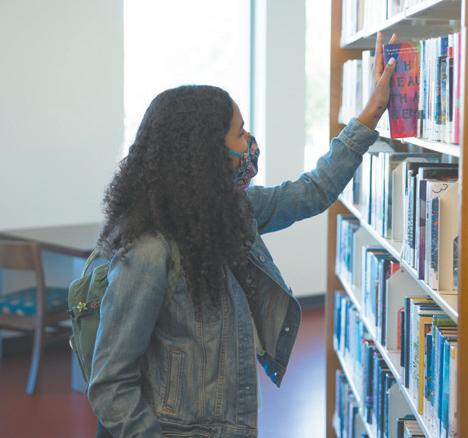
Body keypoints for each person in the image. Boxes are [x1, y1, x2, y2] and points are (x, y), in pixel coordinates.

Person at [88, 32, 397, 438]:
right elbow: (111, 385)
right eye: (241, 132)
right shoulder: (147, 253)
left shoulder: (231, 212)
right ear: (205, 154)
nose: (250, 143)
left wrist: (372, 113)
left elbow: (313, 190)